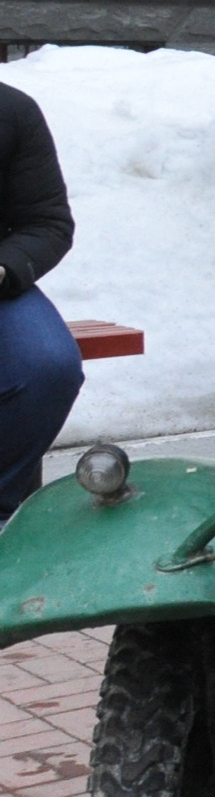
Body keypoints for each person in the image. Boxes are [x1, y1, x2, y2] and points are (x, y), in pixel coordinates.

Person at [0, 81, 81, 522]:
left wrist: (4, 269)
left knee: (47, 364)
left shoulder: (12, 111)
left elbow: (46, 223)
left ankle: (3, 508)